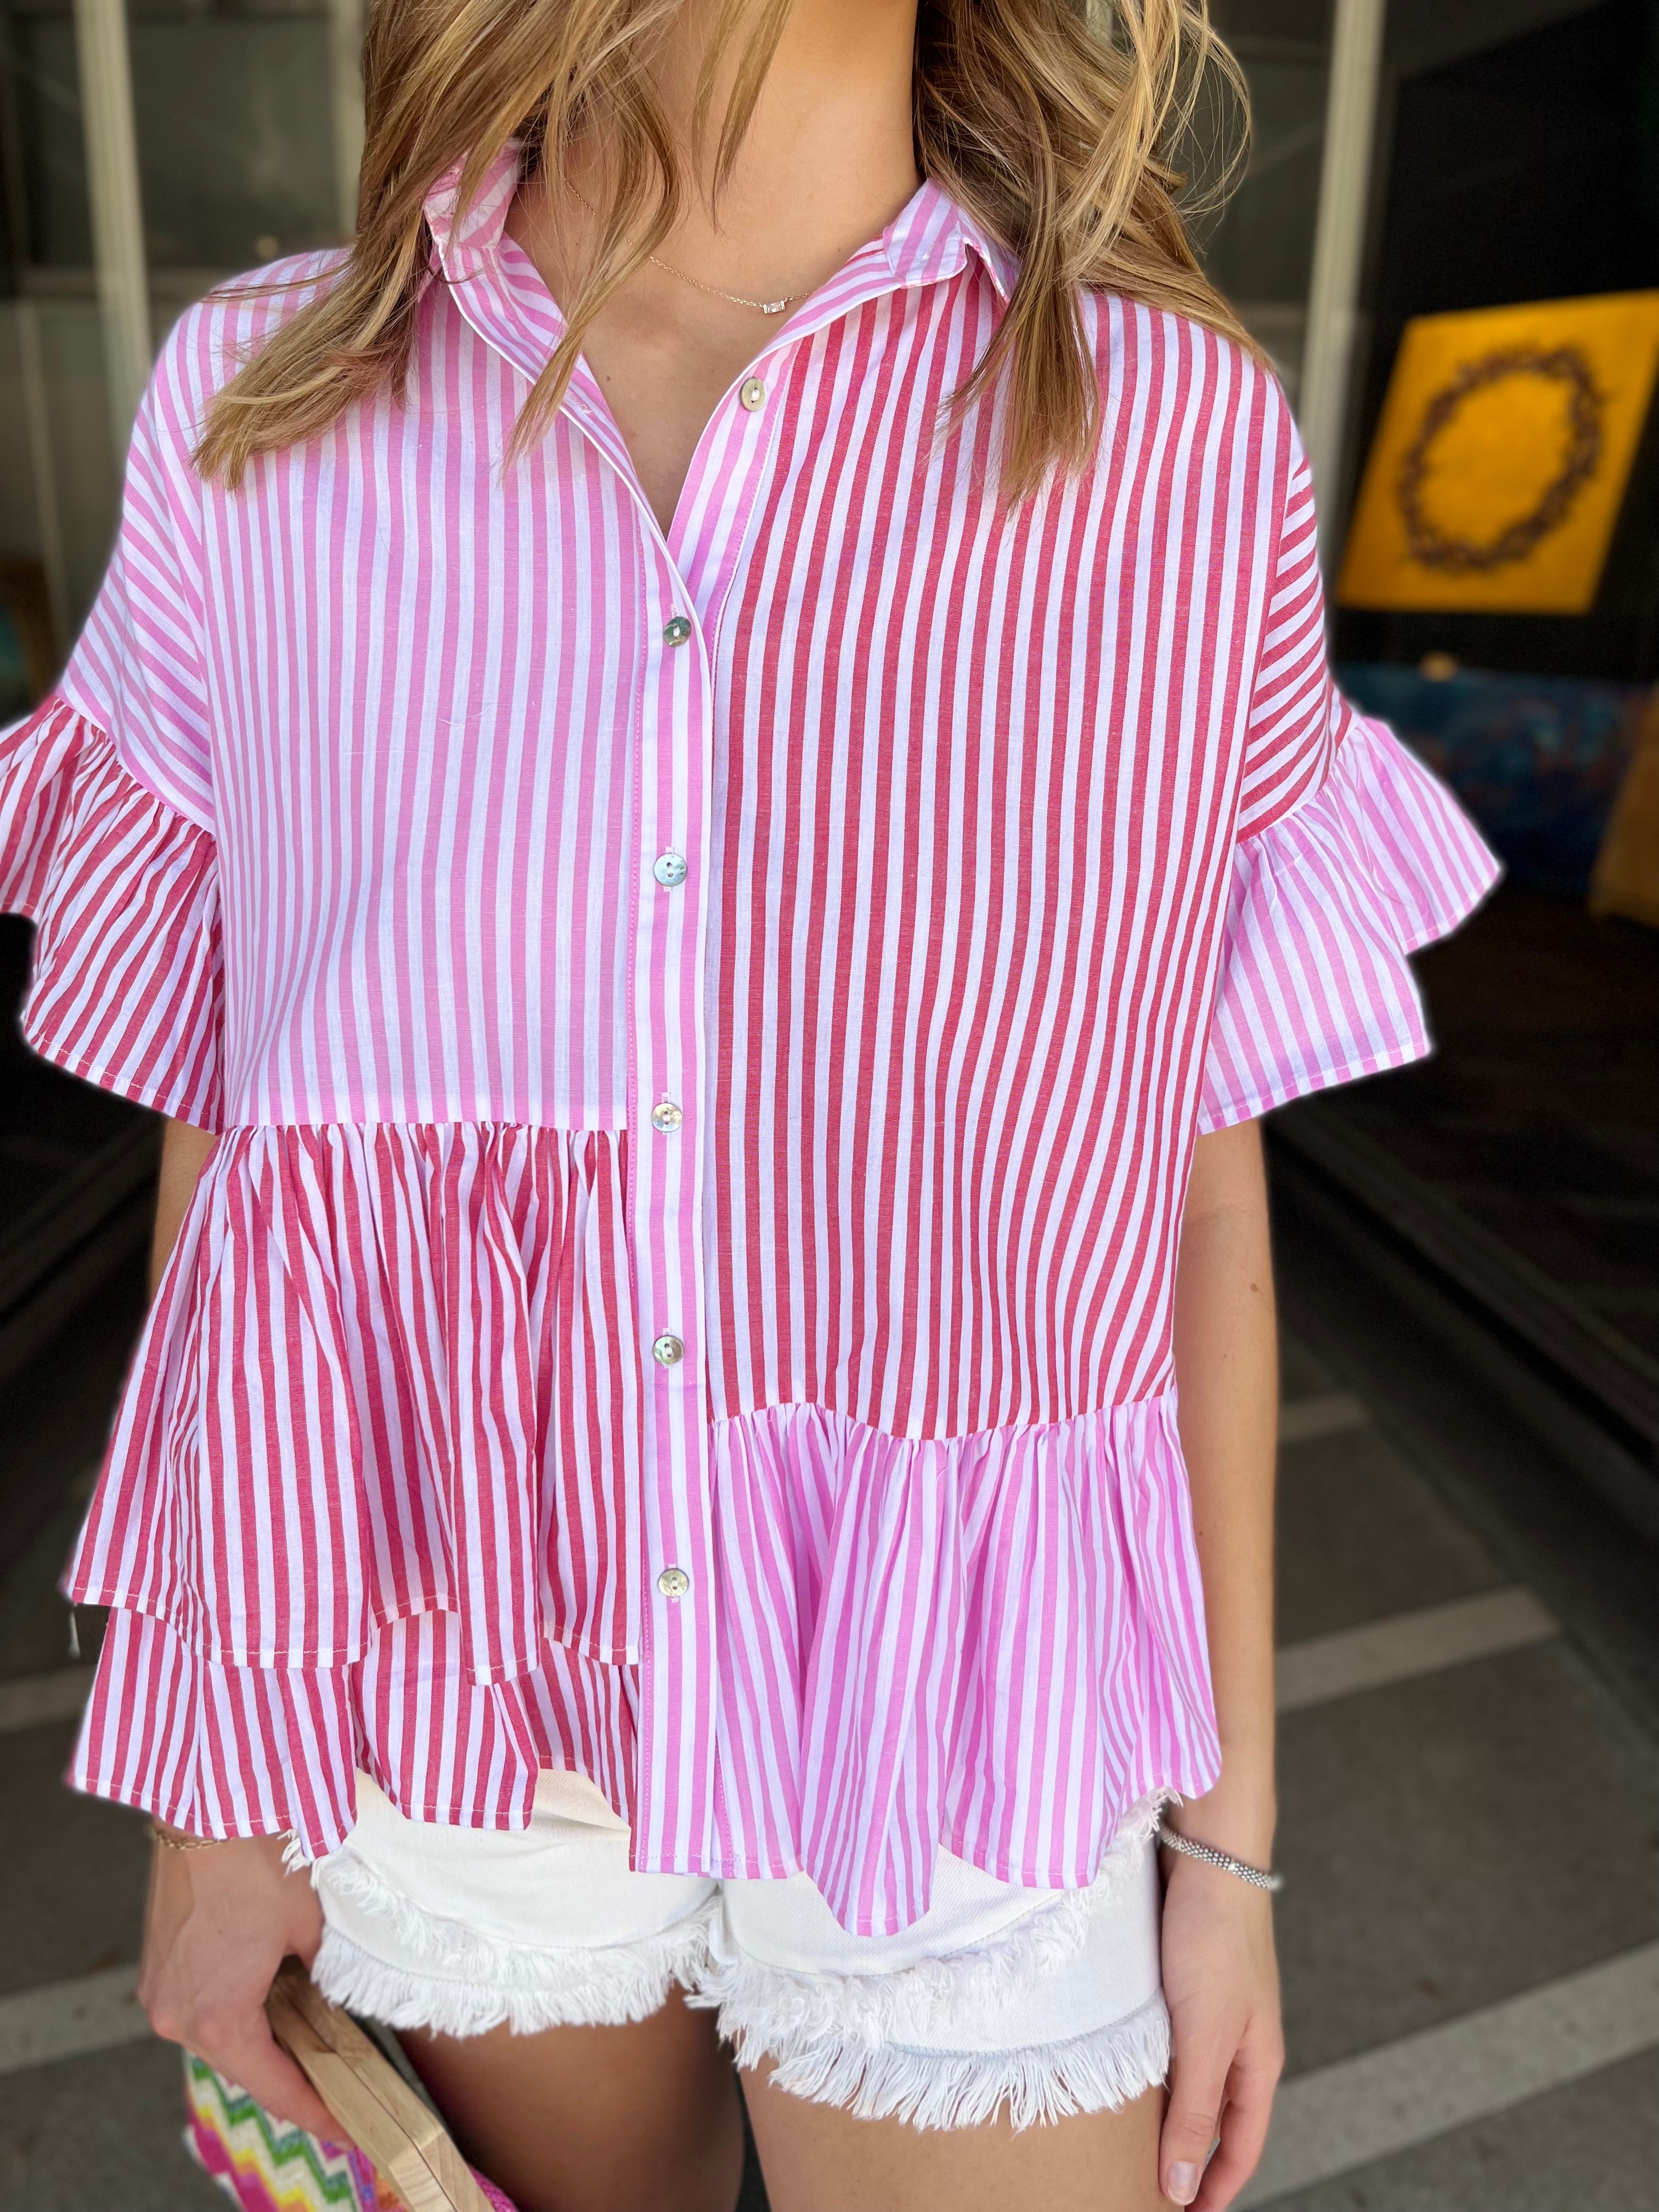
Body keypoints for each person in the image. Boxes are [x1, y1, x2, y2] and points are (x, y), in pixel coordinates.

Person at [0, 0, 1498, 2203]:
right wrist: (221, 1802)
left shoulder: (1169, 442)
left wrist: (1229, 1849)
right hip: (454, 1703)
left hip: (967, 1725)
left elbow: (1183, 1199)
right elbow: (235, 1152)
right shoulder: (264, 407)